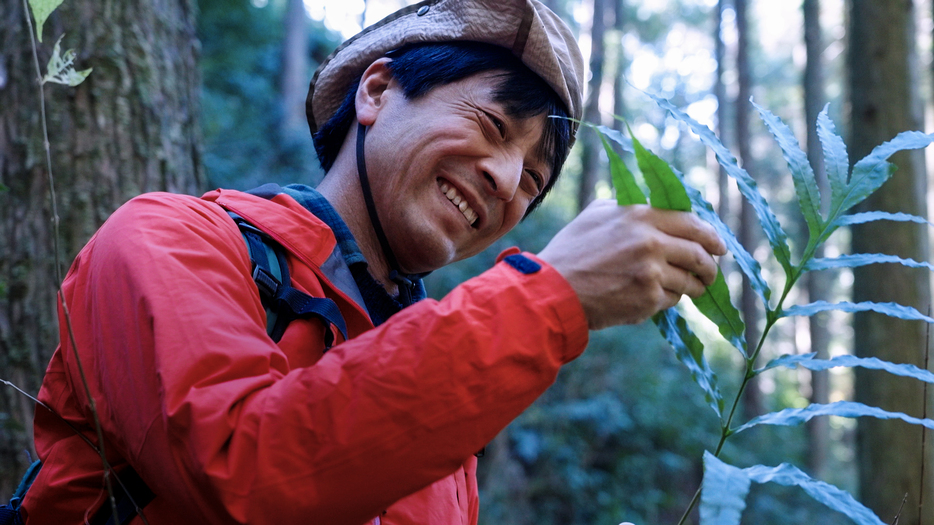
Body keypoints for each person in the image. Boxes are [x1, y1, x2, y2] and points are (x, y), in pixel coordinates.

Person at [18, 0, 725, 523]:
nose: (509, 181)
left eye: (534, 180)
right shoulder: (170, 238)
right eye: (490, 125)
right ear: (378, 91)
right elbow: (245, 470)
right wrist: (548, 298)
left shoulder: (447, 398)